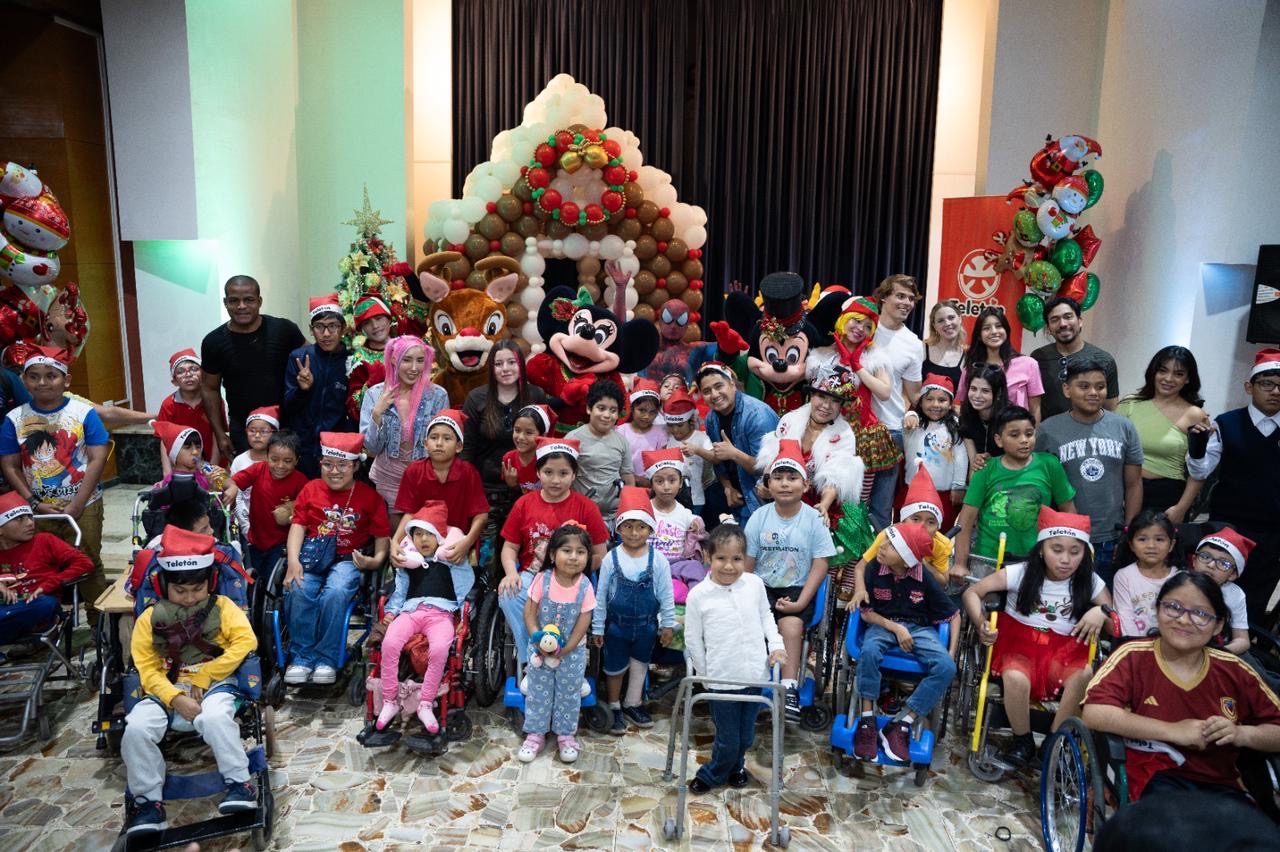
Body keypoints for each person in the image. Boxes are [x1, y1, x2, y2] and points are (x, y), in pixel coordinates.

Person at [1083, 572, 1280, 802]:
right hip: (1150, 776)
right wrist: (1173, 730)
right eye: (1173, 607)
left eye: (1200, 614)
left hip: (1220, 785)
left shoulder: (1235, 670)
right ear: (1157, 611)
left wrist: (1242, 733)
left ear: (1218, 625)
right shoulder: (1132, 656)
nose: (1184, 620)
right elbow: (1095, 712)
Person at [120, 526, 258, 835]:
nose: (188, 598)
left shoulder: (224, 608)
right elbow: (146, 667)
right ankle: (148, 803)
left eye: (196, 589)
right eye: (180, 591)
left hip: (216, 682)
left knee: (216, 717)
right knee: (137, 728)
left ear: (209, 583)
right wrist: (174, 698)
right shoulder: (149, 618)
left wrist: (208, 674)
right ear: (163, 585)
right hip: (166, 689)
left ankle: (240, 783)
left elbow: (245, 642)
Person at [963, 507, 1113, 769]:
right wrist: (981, 623)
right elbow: (972, 593)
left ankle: (1054, 742)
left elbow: (1114, 624)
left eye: (1075, 552)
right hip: (1019, 641)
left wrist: (1101, 612)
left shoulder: (1090, 581)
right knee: (1015, 677)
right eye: (1057, 550)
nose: (1065, 559)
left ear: (1084, 554)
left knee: (1084, 675)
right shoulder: (1020, 572)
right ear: (1042, 548)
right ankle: (1023, 741)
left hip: (1065, 646)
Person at [0, 346, 109, 625]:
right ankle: (52, 620)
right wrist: (33, 502)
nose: (43, 383)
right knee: (44, 565)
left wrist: (77, 504)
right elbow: (11, 464)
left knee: (87, 560)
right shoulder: (14, 419)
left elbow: (97, 458)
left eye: (51, 376)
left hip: (84, 502)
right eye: (34, 377)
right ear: (24, 381)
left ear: (66, 381)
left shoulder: (83, 413)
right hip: (37, 508)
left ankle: (101, 623)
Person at [683, 523, 787, 793]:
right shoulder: (698, 596)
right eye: (721, 559)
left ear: (745, 559)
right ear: (708, 557)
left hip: (754, 672)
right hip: (722, 678)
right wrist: (706, 676)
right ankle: (711, 774)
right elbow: (693, 639)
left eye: (737, 559)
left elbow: (767, 618)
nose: (729, 566)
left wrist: (776, 645)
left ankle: (736, 767)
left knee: (746, 735)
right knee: (728, 738)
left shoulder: (754, 584)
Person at [282, 432, 389, 685]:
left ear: (354, 465)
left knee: (336, 592)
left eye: (342, 465)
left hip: (348, 559)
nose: (334, 471)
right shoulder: (310, 489)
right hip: (312, 556)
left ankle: (326, 659)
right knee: (299, 588)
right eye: (328, 464)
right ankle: (302, 657)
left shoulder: (370, 496)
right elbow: (297, 526)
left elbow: (382, 538)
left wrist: (375, 562)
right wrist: (294, 562)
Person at [1186, 348, 1280, 625]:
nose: (1275, 391)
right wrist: (1197, 448)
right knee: (1213, 593)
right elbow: (1200, 471)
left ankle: (1244, 651)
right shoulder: (1226, 424)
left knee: (1256, 597)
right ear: (1249, 387)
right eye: (1267, 384)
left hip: (1273, 531)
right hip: (1228, 527)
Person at [851, 522, 958, 762]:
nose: (882, 546)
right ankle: (867, 720)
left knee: (947, 668)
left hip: (919, 629)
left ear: (907, 558)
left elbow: (954, 615)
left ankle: (900, 724)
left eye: (891, 545)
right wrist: (895, 628)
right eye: (885, 541)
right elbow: (866, 612)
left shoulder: (925, 578)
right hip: (883, 623)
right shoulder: (874, 569)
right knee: (869, 650)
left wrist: (950, 652)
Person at [744, 439, 835, 721]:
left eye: (792, 478)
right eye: (778, 478)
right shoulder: (759, 517)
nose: (784, 484)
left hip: (797, 586)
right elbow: (748, 562)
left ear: (805, 486)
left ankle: (789, 687)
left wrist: (802, 601)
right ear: (768, 485)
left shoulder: (813, 520)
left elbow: (821, 563)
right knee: (749, 625)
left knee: (792, 626)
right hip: (762, 586)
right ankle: (753, 682)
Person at [498, 437, 609, 663]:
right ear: (538, 472)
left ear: (574, 474)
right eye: (548, 472)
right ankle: (531, 655)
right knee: (508, 595)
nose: (556, 480)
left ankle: (565, 654)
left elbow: (601, 554)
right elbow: (510, 547)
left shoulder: (586, 507)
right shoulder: (525, 504)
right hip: (533, 575)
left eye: (563, 473)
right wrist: (511, 573)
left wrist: (574, 568)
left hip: (573, 578)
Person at [1035, 357, 1144, 584]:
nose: (1093, 392)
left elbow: (1133, 484)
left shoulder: (1124, 427)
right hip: (1063, 536)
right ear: (1067, 389)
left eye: (1100, 386)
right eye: (1084, 386)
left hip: (1109, 537)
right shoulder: (1047, 430)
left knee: (1101, 603)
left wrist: (1128, 531)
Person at [374, 502, 474, 735]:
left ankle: (426, 703)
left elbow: (465, 585)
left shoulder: (452, 563)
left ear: (439, 537)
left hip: (441, 614)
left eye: (429, 534)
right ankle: (390, 700)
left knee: (440, 650)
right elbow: (399, 591)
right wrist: (390, 613)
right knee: (389, 644)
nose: (424, 539)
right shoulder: (409, 563)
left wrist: (463, 617)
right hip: (410, 612)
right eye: (418, 534)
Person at [952, 406, 1077, 580]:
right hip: (989, 559)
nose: (1024, 440)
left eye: (1029, 433)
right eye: (1014, 435)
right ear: (999, 440)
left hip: (1035, 559)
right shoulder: (985, 470)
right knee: (984, 607)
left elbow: (1068, 510)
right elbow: (965, 522)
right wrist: (959, 564)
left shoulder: (1049, 464)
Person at [590, 487, 677, 734]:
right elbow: (602, 596)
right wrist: (598, 626)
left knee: (640, 664)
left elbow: (665, 595)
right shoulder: (611, 559)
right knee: (615, 667)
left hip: (647, 626)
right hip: (616, 626)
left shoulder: (658, 560)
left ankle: (633, 702)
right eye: (628, 526)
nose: (634, 532)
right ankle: (615, 705)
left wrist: (667, 624)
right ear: (618, 529)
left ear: (650, 529)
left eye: (640, 526)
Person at [517, 523, 597, 765]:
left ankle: (565, 735)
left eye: (580, 552)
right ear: (553, 554)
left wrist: (568, 648)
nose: (573, 557)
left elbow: (584, 622)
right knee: (538, 692)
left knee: (569, 693)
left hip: (571, 654)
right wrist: (537, 639)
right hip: (540, 650)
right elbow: (530, 614)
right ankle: (535, 734)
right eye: (567, 551)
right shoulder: (542, 579)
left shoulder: (585, 586)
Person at [201, 275, 305, 458]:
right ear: (225, 302)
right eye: (234, 301)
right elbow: (210, 389)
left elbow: (312, 359)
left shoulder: (284, 330)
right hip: (244, 430)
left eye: (248, 300)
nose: (241, 306)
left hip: (287, 425)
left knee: (289, 482)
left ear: (259, 301)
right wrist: (219, 433)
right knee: (247, 483)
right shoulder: (213, 342)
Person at [755, 366, 866, 528]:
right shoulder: (789, 420)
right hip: (786, 503)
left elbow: (836, 478)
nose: (827, 406)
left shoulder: (844, 434)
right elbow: (772, 461)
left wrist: (823, 506)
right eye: (822, 396)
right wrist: (766, 485)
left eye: (835, 400)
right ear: (811, 395)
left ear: (841, 405)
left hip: (825, 508)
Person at [361, 335, 450, 523]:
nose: (414, 368)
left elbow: (444, 443)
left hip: (425, 478)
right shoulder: (375, 394)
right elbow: (372, 448)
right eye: (407, 360)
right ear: (394, 359)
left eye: (420, 361)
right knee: (396, 540)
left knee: (425, 534)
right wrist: (377, 414)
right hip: (388, 477)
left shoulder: (438, 395)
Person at [1116, 346, 1209, 523]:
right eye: (1162, 371)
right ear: (1153, 372)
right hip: (1123, 491)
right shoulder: (1130, 404)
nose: (1168, 379)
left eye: (1178, 374)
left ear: (1188, 379)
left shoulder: (1195, 415)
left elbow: (1199, 471)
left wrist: (1181, 508)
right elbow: (1110, 451)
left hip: (1168, 498)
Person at [859, 279, 924, 530]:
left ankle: (875, 565)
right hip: (852, 429)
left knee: (881, 508)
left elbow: (913, 394)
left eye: (910, 298)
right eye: (900, 296)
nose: (906, 303)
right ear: (883, 298)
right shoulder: (862, 326)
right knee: (849, 503)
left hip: (891, 431)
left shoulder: (914, 344)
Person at [461, 341, 546, 532]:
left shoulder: (536, 395)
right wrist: (470, 490)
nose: (505, 369)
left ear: (521, 365)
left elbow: (545, 445)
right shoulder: (476, 398)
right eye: (498, 364)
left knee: (521, 550)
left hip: (527, 489)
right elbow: (467, 450)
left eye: (511, 362)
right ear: (491, 367)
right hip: (485, 490)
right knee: (486, 555)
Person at [829, 296, 903, 518]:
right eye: (856, 321)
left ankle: (859, 546)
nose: (860, 329)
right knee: (832, 492)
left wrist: (857, 366)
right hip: (832, 433)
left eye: (867, 326)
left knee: (860, 501)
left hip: (865, 436)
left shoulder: (875, 356)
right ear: (845, 319)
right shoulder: (825, 353)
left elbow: (884, 392)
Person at [389, 409, 488, 567]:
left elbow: (481, 516)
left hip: (455, 544)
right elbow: (410, 514)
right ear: (425, 443)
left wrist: (467, 542)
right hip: (422, 543)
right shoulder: (414, 471)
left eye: (447, 438)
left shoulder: (468, 473)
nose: (439, 443)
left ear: (459, 446)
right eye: (434, 437)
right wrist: (395, 541)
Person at [846, 465, 956, 604]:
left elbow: (943, 582)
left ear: (938, 526)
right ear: (903, 520)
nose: (922, 526)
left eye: (931, 522)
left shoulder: (941, 545)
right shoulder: (887, 536)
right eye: (915, 519)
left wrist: (919, 562)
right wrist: (860, 590)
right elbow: (860, 567)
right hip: (888, 595)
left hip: (920, 601)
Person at [0, 491, 93, 645]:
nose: (30, 523)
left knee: (46, 605)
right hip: (6, 608)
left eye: (30, 516)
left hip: (37, 607)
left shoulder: (44, 541)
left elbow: (84, 563)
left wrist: (48, 585)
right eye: (19, 519)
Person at [283, 295, 356, 478]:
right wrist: (302, 390)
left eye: (333, 326)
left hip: (337, 447)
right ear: (311, 330)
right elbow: (287, 406)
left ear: (343, 329)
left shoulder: (352, 360)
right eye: (319, 327)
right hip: (303, 446)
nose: (326, 334)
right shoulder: (298, 358)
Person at [697, 361, 779, 522]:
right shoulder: (711, 419)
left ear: (732, 384)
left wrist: (734, 454)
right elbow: (719, 462)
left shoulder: (757, 415)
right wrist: (727, 487)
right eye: (707, 391)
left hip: (763, 498)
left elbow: (768, 469)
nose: (714, 394)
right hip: (736, 495)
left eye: (719, 386)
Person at [222, 430, 308, 575]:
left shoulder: (301, 482)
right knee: (255, 579)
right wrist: (232, 487)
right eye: (274, 459)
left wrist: (290, 511)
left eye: (287, 461)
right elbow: (230, 481)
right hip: (255, 540)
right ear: (267, 456)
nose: (280, 466)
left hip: (281, 545)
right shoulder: (258, 469)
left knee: (272, 580)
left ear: (297, 460)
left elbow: (306, 511)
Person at [1031, 296, 1119, 420]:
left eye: (1068, 317)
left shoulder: (1103, 359)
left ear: (1080, 321)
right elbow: (1034, 406)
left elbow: (1110, 410)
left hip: (1089, 435)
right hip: (1048, 435)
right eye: (1055, 320)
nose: (1062, 324)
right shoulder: (1038, 358)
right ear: (1048, 328)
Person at [901, 374, 967, 530]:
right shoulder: (915, 423)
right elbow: (907, 421)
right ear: (921, 401)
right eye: (929, 399)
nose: (935, 405)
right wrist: (909, 415)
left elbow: (961, 458)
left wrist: (958, 485)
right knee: (909, 533)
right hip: (913, 491)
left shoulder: (956, 426)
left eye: (942, 400)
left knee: (939, 535)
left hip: (943, 493)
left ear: (951, 403)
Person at [567, 381, 634, 527]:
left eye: (613, 410)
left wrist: (629, 510)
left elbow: (627, 477)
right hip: (580, 516)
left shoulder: (622, 441)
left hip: (614, 517)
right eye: (601, 408)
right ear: (589, 409)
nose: (607, 415)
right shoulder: (572, 439)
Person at [958, 307, 1043, 421]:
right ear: (979, 336)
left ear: (1006, 330)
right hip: (979, 435)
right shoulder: (971, 367)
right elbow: (965, 409)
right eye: (986, 328)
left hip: (1015, 434)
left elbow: (1035, 410)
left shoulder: (1029, 364)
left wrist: (1032, 437)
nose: (994, 332)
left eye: (999, 326)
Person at [641, 448, 708, 587]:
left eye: (672, 480)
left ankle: (697, 601)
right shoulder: (644, 510)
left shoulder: (685, 514)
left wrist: (697, 527)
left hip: (677, 564)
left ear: (681, 483)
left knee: (695, 568)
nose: (666, 487)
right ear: (651, 484)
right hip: (649, 563)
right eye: (659, 481)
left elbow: (699, 532)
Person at [1111, 510, 1179, 637]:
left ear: (1171, 545)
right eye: (1142, 539)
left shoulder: (1180, 577)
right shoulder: (1124, 577)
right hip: (1136, 647)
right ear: (1131, 544)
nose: (1151, 546)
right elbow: (1125, 620)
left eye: (1159, 539)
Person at [158, 348, 224, 468]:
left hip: (215, 464)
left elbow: (218, 434)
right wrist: (167, 474)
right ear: (174, 381)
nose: (188, 375)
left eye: (194, 369)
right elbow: (165, 441)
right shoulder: (169, 405)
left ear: (203, 374)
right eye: (181, 371)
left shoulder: (214, 401)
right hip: (183, 467)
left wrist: (212, 468)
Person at [1191, 527, 1253, 654]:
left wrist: (1217, 654)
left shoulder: (1235, 595)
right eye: (1205, 556)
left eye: (1224, 564)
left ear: (1232, 575)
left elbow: (1242, 640)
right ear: (1194, 561)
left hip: (1220, 650)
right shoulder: (1179, 585)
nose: (1211, 565)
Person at [661, 388, 713, 517]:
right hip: (675, 499)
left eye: (679, 425)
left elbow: (715, 458)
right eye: (671, 425)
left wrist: (697, 450)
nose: (675, 429)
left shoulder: (702, 438)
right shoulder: (670, 442)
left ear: (691, 421)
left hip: (697, 497)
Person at [228, 406, 279, 537]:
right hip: (246, 524)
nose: (257, 436)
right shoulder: (239, 461)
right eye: (252, 431)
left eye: (263, 431)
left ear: (275, 433)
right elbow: (237, 495)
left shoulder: (279, 462)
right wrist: (245, 527)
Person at [345, 295, 395, 424]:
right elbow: (353, 408)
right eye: (367, 323)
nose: (375, 326)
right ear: (362, 329)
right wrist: (370, 384)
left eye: (378, 318)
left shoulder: (405, 345)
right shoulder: (360, 359)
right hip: (377, 426)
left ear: (389, 319)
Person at [150, 420, 229, 494]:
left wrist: (215, 487)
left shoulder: (205, 478)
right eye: (187, 447)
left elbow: (218, 506)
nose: (195, 452)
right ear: (174, 453)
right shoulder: (169, 482)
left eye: (198, 447)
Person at [958, 362, 1009, 475]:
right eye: (973, 389)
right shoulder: (966, 418)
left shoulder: (1011, 419)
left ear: (999, 392)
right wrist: (977, 462)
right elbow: (974, 466)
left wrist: (994, 461)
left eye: (985, 391)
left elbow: (1017, 461)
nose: (977, 395)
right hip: (981, 479)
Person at [616, 379, 667, 488]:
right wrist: (632, 479)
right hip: (624, 484)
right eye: (642, 410)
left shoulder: (660, 433)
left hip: (651, 486)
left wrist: (648, 482)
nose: (647, 416)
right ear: (632, 408)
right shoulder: (620, 431)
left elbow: (662, 464)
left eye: (652, 412)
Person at [502, 404, 555, 496]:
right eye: (517, 430)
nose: (521, 437)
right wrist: (511, 484)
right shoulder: (509, 459)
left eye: (529, 432)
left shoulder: (550, 460)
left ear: (543, 435)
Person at [921, 299, 966, 388]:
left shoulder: (968, 356)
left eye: (951, 318)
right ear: (934, 326)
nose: (947, 323)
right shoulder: (922, 349)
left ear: (960, 319)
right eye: (941, 320)